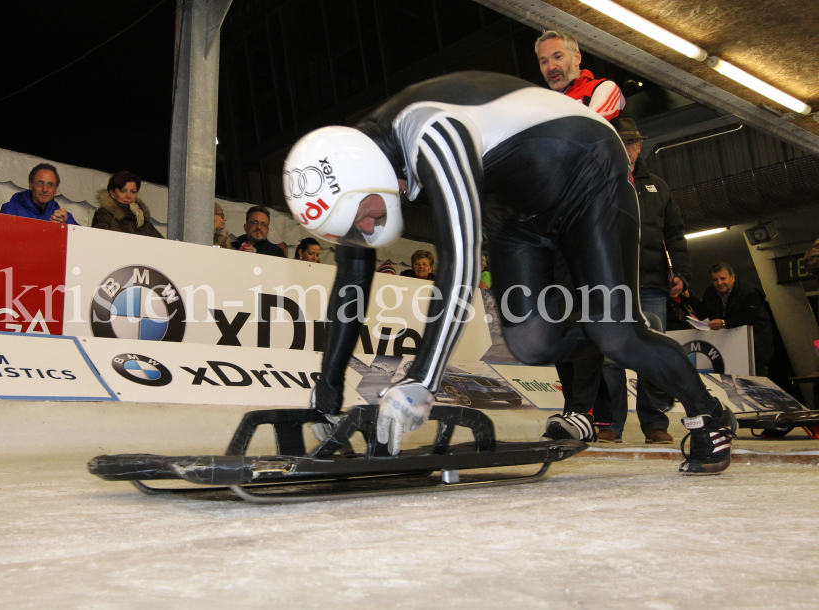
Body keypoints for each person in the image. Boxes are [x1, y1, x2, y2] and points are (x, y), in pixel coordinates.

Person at [284, 71, 734, 475]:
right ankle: (615, 327)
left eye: (363, 215)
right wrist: (326, 393)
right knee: (531, 343)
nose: (367, 229)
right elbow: (351, 289)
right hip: (518, 209)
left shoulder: (430, 130)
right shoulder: (362, 175)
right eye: (353, 228)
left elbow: (457, 264)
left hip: (587, 174)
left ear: (368, 176)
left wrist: (422, 379)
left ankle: (707, 411)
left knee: (616, 335)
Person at [598, 118, 691, 444]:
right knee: (611, 358)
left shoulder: (659, 188)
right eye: (621, 143)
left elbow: (675, 234)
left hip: (651, 283)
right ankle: (612, 424)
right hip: (612, 283)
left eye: (633, 143)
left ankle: (655, 424)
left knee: (652, 354)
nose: (629, 149)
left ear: (640, 146)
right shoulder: (598, 183)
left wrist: (680, 272)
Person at [699, 262, 774, 376]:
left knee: (753, 383)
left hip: (754, 346)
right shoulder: (710, 293)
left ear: (732, 278)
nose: (719, 283)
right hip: (725, 348)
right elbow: (704, 313)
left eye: (723, 278)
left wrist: (724, 323)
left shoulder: (750, 291)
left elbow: (750, 317)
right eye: (715, 280)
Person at [536, 31, 625, 123]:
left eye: (558, 57)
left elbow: (591, 124)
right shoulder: (543, 105)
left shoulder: (603, 87)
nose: (551, 67)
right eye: (544, 62)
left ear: (577, 58)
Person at [90, 171, 162, 238]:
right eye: (123, 191)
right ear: (112, 193)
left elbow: (163, 245)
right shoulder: (104, 215)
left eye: (133, 192)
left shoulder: (144, 221)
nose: (128, 196)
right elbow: (100, 241)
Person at [0, 163, 78, 225]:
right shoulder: (11, 209)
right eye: (40, 183)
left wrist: (64, 226)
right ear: (30, 185)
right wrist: (50, 228)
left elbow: (82, 240)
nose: (45, 189)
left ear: (55, 189)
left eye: (50, 185)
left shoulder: (64, 217)